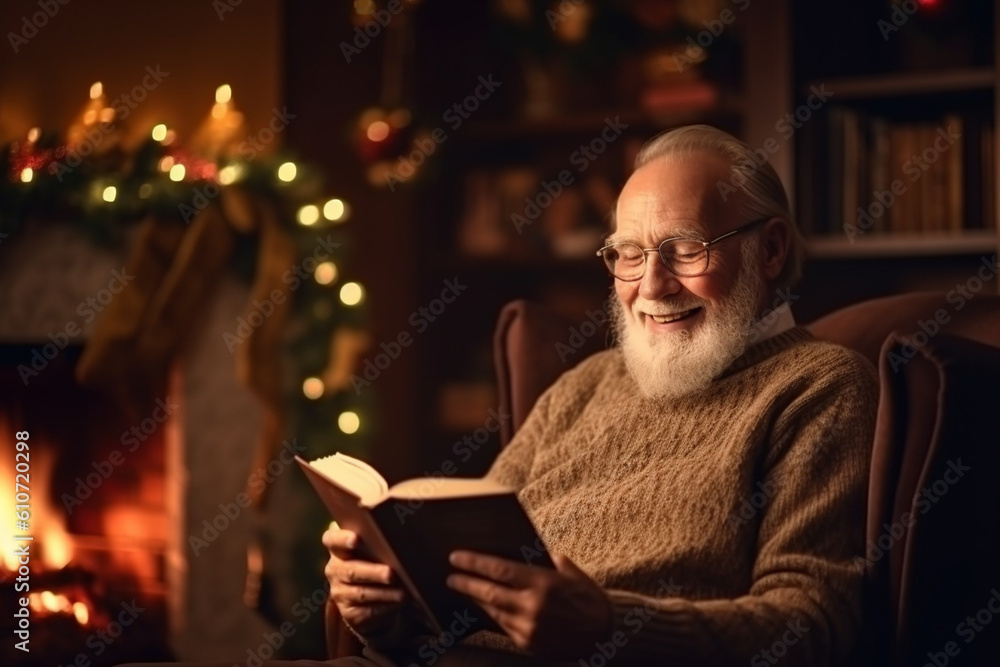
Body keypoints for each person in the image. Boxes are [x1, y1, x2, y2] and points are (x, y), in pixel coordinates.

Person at [322, 125, 878, 667]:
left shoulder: (820, 385)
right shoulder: (585, 383)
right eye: (629, 254)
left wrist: (609, 628)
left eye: (684, 249)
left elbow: (811, 625)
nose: (652, 286)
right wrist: (382, 605)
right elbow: (464, 566)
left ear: (772, 249)